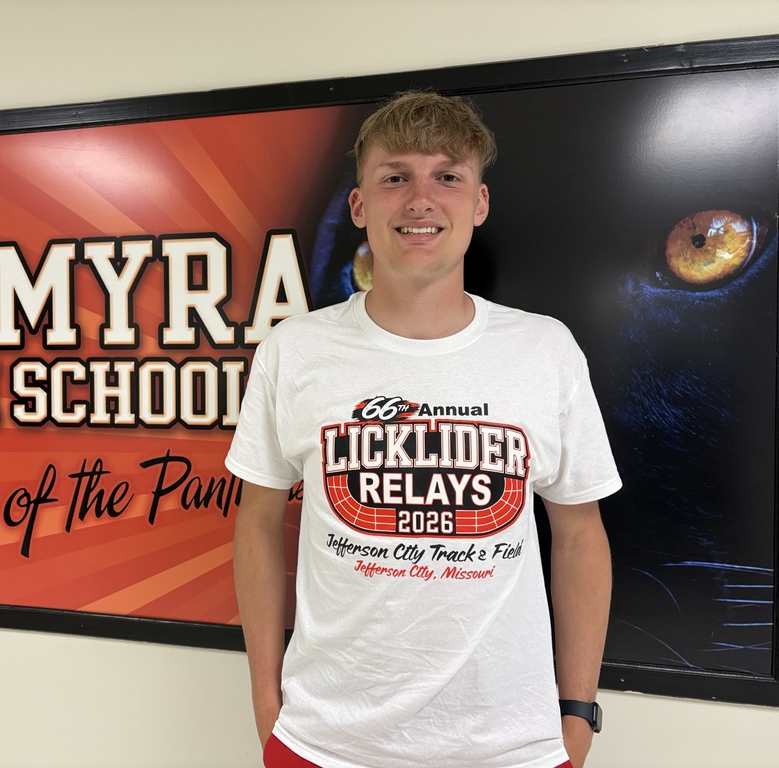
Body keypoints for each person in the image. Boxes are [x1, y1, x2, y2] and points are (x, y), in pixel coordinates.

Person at [226, 91, 620, 768]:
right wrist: (266, 700)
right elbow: (258, 521)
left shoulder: (544, 350)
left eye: (447, 176)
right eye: (394, 177)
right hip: (326, 742)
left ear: (479, 203)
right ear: (359, 206)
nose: (420, 200)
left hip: (512, 748)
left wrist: (576, 714)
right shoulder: (294, 350)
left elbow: (580, 535)